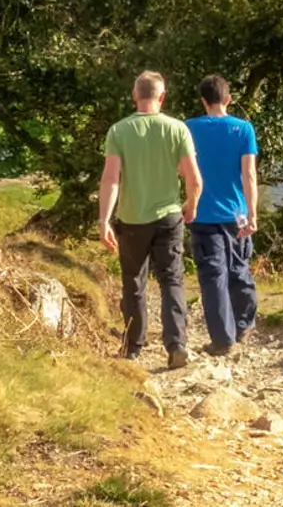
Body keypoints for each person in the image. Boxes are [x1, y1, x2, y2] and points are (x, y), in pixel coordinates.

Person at [98, 71, 202, 369]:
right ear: (162, 97)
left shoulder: (118, 131)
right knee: (172, 279)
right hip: (169, 215)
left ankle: (133, 347)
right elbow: (193, 178)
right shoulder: (177, 129)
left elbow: (111, 179)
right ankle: (176, 344)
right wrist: (191, 204)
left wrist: (104, 219)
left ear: (134, 96)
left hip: (131, 220)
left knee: (133, 282)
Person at [185, 74, 259, 356]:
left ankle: (222, 340)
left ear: (203, 101)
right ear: (228, 99)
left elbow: (183, 169)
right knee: (239, 268)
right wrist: (253, 213)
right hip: (237, 213)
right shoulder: (243, 129)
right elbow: (249, 174)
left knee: (213, 276)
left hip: (202, 213)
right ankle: (243, 325)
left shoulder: (188, 128)